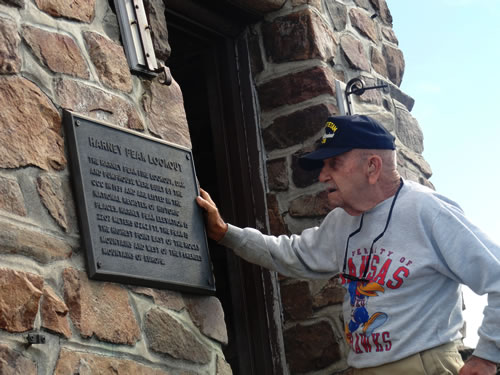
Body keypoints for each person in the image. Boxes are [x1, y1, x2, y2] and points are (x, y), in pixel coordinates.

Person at [196, 115, 499, 375]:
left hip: (421, 365)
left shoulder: (428, 211)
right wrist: (225, 233)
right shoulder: (340, 223)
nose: (323, 175)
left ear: (372, 166)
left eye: (334, 163)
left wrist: (487, 356)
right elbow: (289, 254)